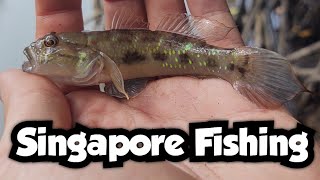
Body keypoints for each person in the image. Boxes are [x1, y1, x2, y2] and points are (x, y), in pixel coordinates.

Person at [0, 0, 319, 179]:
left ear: (87, 54)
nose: (43, 48)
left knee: (231, 63)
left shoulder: (98, 56)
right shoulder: (92, 61)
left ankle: (237, 67)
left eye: (52, 43)